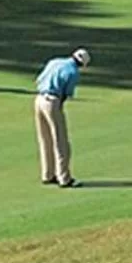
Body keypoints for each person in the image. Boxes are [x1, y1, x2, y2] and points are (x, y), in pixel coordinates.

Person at [33, 47, 90, 187]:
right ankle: (64, 179)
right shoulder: (73, 72)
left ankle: (47, 174)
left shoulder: (54, 61)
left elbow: (39, 80)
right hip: (52, 101)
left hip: (38, 99)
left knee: (45, 138)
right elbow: (66, 94)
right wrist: (58, 107)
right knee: (61, 141)